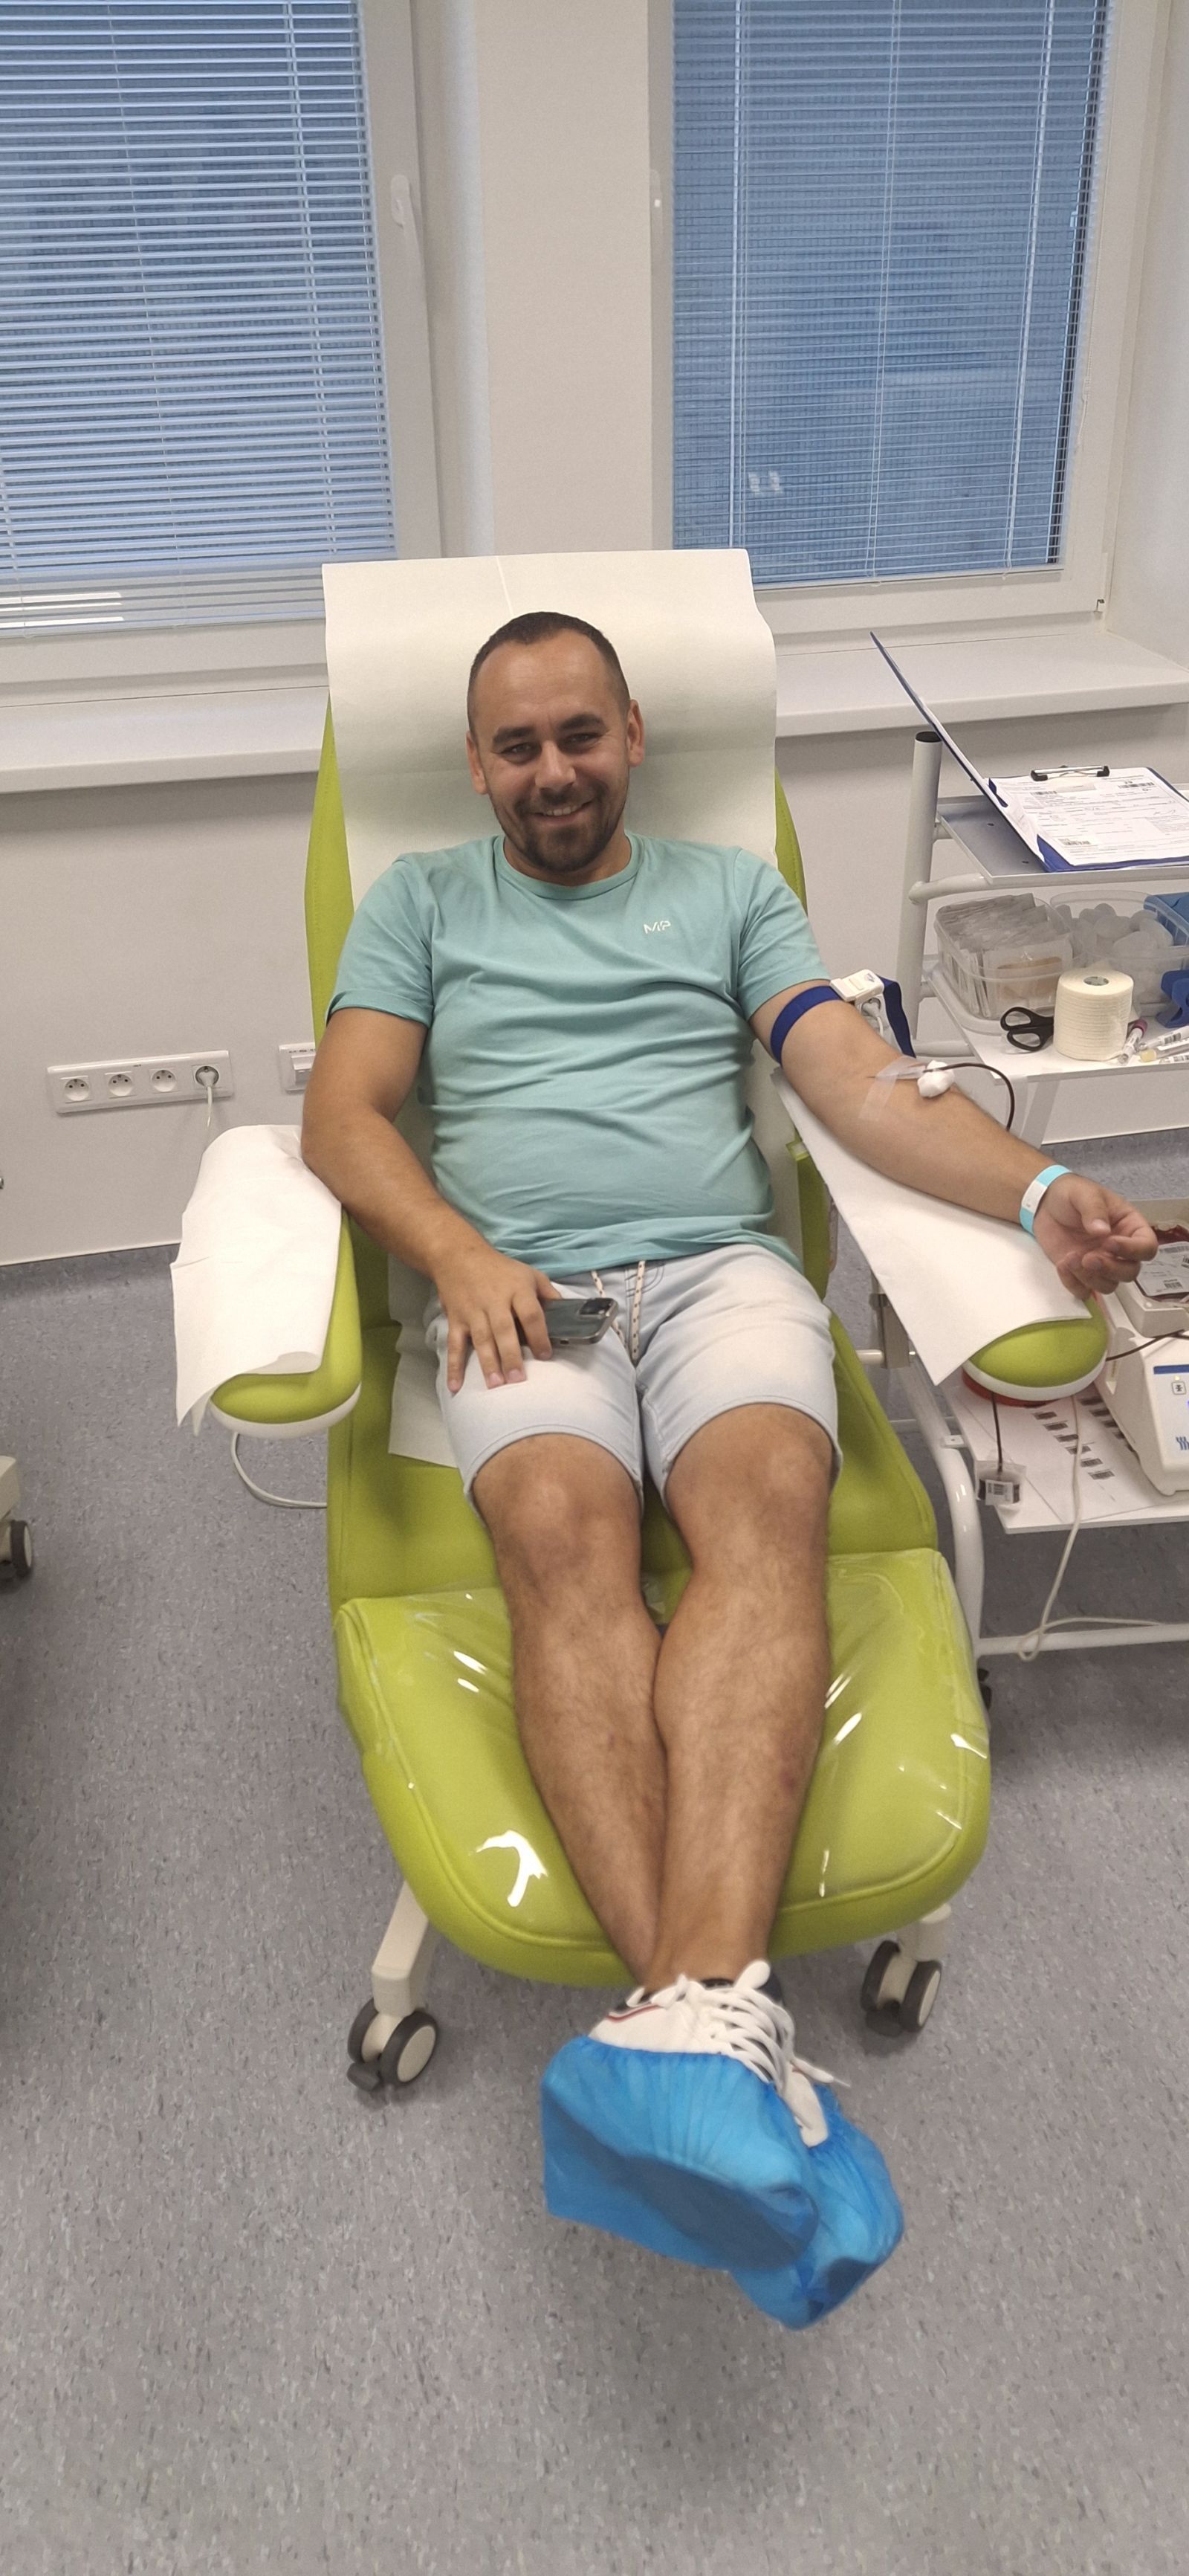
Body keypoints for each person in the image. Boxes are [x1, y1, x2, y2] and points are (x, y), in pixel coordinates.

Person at [301, 610, 1156, 2329]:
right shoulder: (421, 905)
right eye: (516, 745)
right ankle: (708, 2017)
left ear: (632, 733)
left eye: (579, 734)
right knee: (563, 1541)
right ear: (473, 764)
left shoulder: (726, 893)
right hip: (521, 1288)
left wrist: (1029, 1191)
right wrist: (458, 1255)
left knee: (764, 1517)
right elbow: (342, 1115)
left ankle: (673, 2028)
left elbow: (858, 1081)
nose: (552, 771)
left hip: (715, 1274)